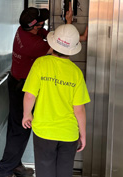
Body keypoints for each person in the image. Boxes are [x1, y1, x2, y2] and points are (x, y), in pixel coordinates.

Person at [0, 4, 88, 177]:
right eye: (42, 22)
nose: (44, 24)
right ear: (34, 26)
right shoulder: (36, 46)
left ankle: (14, 164)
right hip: (22, 87)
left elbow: (56, 40)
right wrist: (27, 113)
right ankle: (4, 171)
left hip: (19, 81)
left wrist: (70, 27)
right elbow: (60, 49)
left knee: (18, 128)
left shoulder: (24, 29)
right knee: (20, 130)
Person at [22, 23, 91, 177]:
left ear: (53, 42)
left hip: (44, 131)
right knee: (64, 172)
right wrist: (83, 134)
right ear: (72, 49)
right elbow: (79, 109)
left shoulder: (40, 64)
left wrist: (27, 115)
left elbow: (29, 95)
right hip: (69, 133)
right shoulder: (76, 73)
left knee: (45, 171)